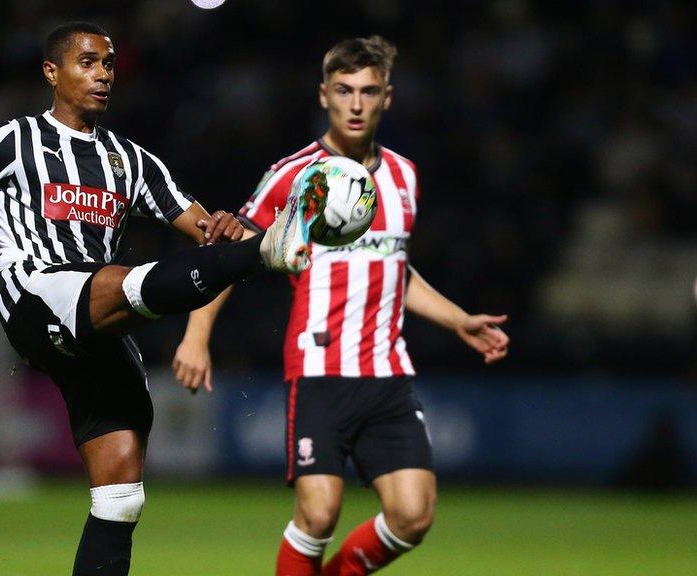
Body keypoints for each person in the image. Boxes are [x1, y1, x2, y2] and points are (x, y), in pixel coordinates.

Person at [0, 21, 322, 576]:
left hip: (97, 321)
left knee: (121, 495)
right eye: (87, 62)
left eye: (108, 64)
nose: (103, 74)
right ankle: (270, 252)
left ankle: (270, 250)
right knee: (126, 281)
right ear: (52, 73)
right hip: (35, 291)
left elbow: (206, 232)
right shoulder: (13, 139)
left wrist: (231, 231)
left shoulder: (132, 161)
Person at [172, 36, 510, 575]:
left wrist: (458, 319)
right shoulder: (294, 175)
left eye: (369, 91)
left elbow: (395, 267)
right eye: (345, 90)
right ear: (324, 94)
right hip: (319, 369)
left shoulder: (404, 176)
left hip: (387, 372)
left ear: (387, 98)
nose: (357, 104)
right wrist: (196, 336)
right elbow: (228, 256)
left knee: (413, 514)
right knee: (319, 512)